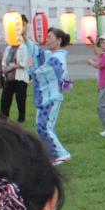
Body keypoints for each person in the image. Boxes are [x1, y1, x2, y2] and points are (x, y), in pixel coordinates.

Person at [31, 27, 71, 165]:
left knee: (44, 127)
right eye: (46, 37)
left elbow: (42, 72)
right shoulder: (53, 55)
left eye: (50, 37)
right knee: (42, 126)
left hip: (51, 97)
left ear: (59, 40)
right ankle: (49, 155)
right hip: (47, 97)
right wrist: (24, 37)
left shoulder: (57, 58)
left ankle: (62, 154)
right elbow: (39, 52)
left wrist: (31, 69)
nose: (46, 40)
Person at [0, 15, 34, 124]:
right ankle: (3, 119)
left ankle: (21, 119)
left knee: (20, 100)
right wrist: (4, 67)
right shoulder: (9, 47)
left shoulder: (25, 46)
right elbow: (3, 61)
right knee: (5, 99)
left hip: (20, 77)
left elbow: (28, 62)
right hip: (9, 77)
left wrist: (15, 66)